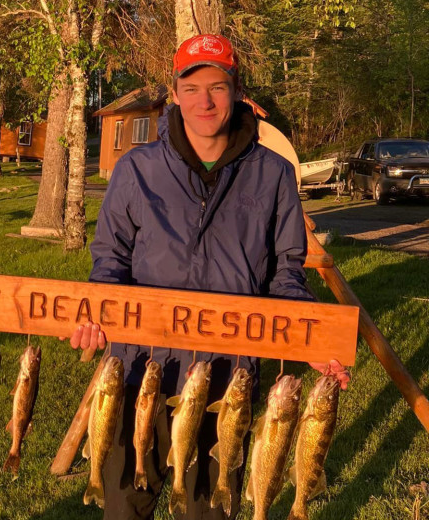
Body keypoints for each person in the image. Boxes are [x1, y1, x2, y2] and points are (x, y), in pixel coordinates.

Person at [68, 34, 350, 520]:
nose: (205, 100)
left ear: (236, 91)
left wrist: (311, 339)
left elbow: (286, 274)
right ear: (174, 93)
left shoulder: (275, 174)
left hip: (227, 379)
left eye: (217, 87)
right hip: (141, 371)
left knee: (208, 511)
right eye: (192, 87)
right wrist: (98, 314)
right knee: (122, 509)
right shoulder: (136, 169)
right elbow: (109, 261)